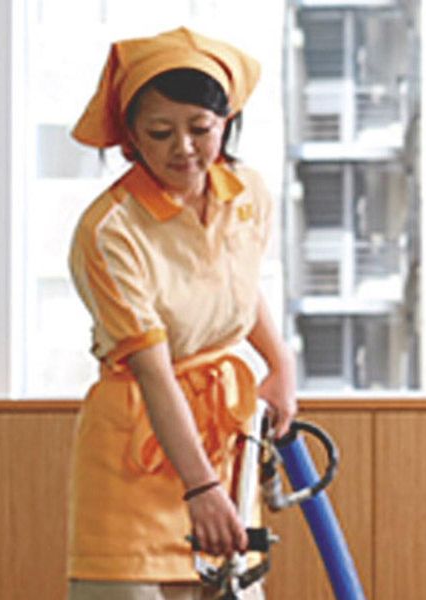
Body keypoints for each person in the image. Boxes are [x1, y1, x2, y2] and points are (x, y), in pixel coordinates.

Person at [66, 27, 298, 600]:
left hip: (222, 436)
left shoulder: (246, 193)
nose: (184, 149)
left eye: (201, 128)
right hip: (138, 449)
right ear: (131, 137)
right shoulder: (111, 230)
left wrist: (280, 365)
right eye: (160, 132)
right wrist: (200, 488)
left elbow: (236, 285)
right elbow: (153, 370)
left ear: (227, 122)